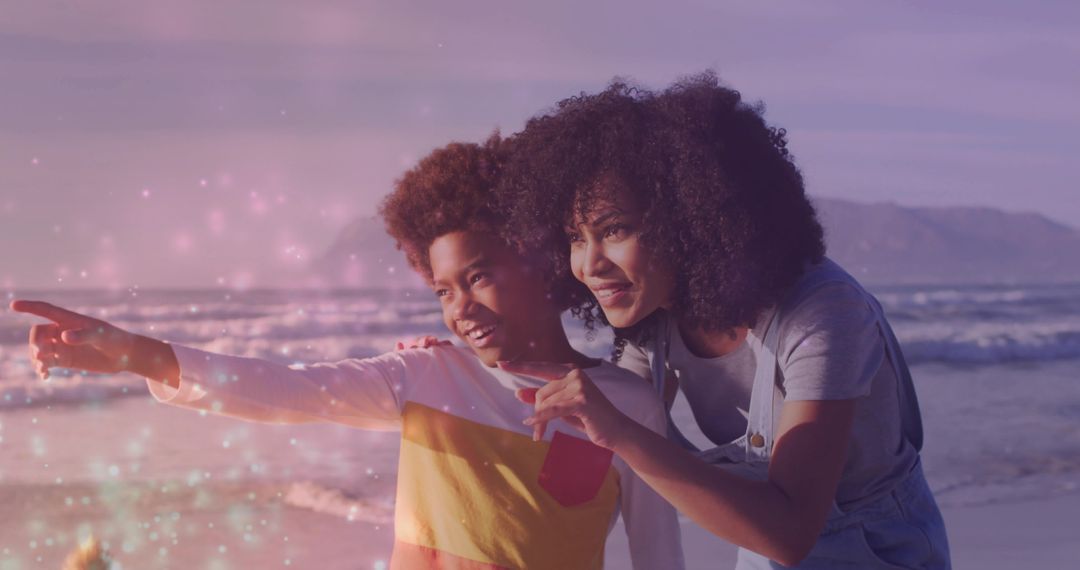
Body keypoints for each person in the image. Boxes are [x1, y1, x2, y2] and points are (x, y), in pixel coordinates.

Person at [11, 136, 683, 570]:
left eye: (478, 277)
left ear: (541, 261)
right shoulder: (428, 374)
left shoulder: (624, 407)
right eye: (444, 289)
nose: (460, 309)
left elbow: (661, 561)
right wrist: (138, 354)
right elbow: (282, 388)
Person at [493, 72, 951, 569]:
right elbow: (586, 464)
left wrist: (619, 431)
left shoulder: (824, 314)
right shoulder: (651, 319)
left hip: (875, 553)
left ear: (690, 218)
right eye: (576, 239)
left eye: (615, 229)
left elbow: (790, 532)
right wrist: (448, 365)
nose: (588, 264)